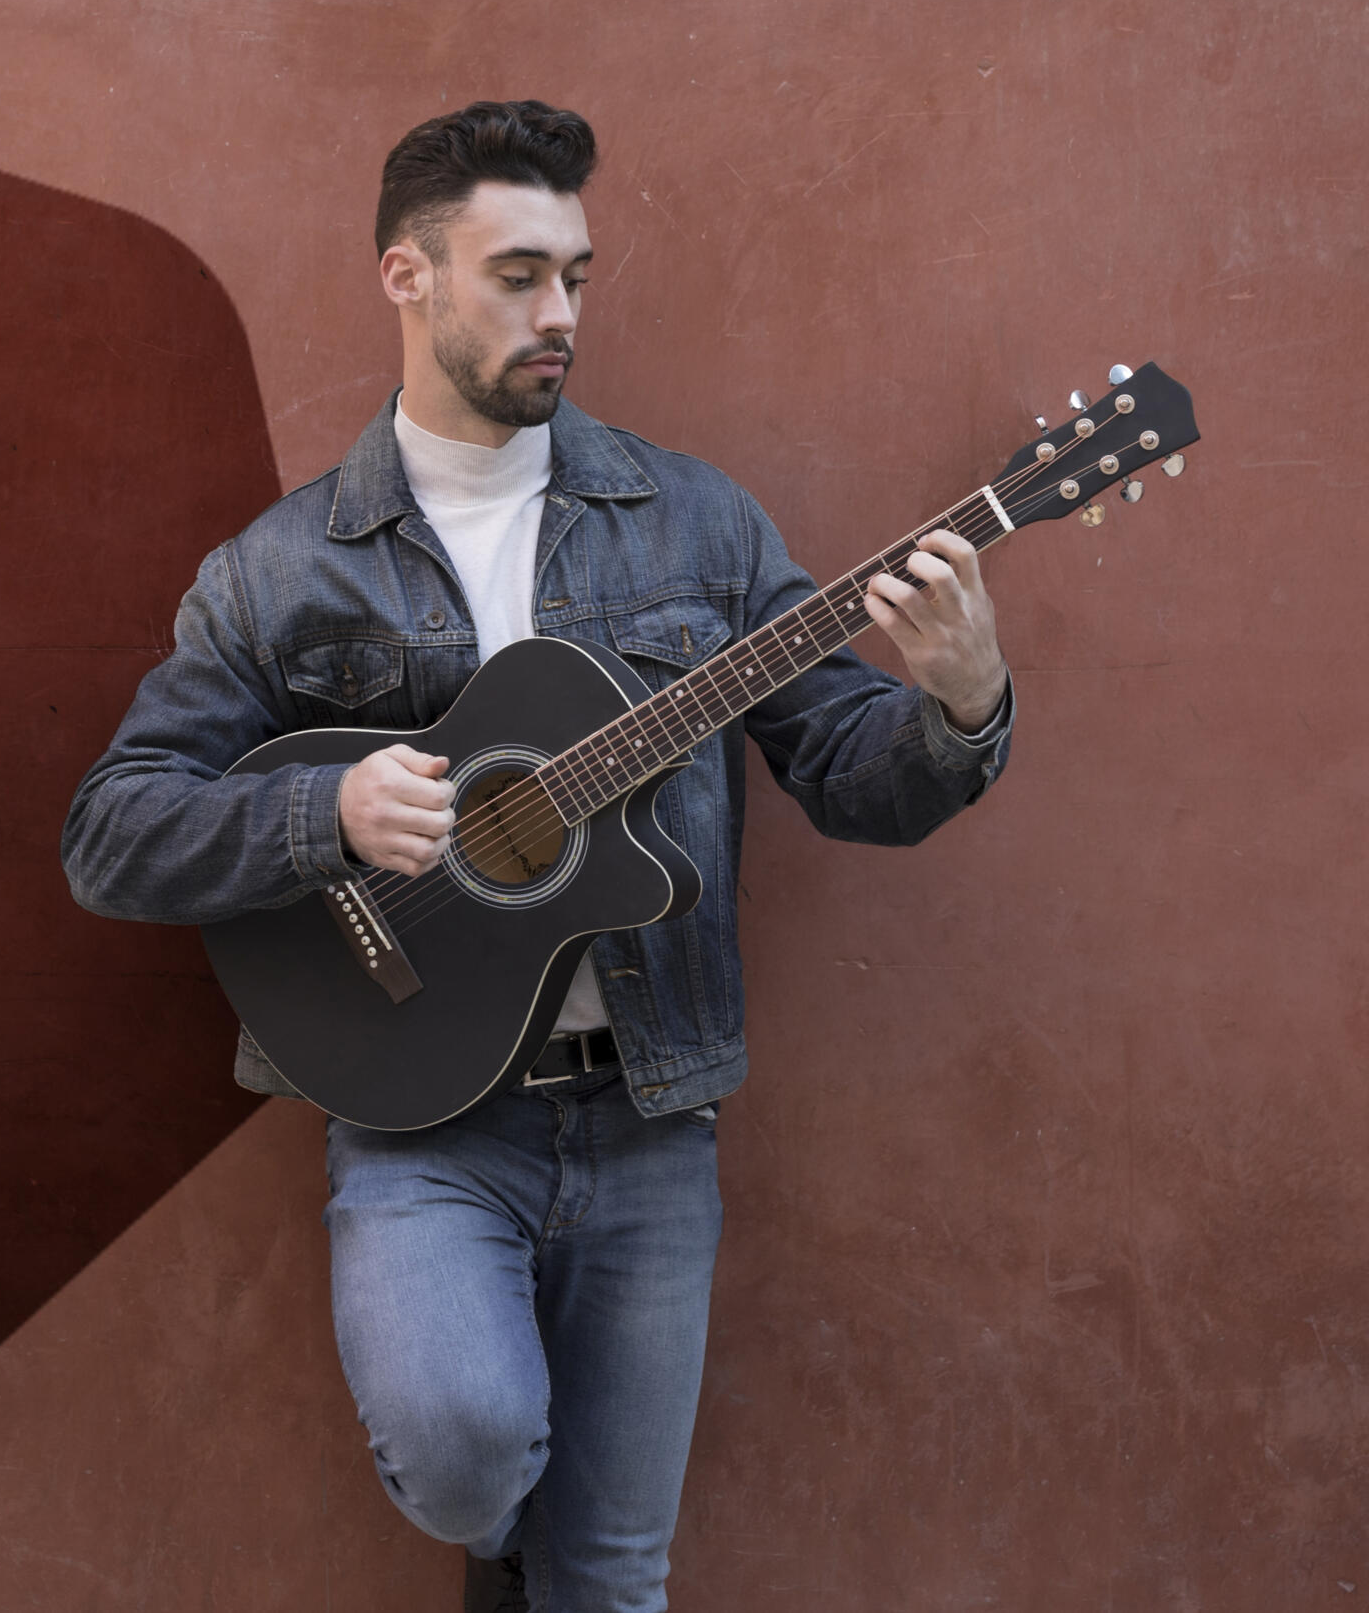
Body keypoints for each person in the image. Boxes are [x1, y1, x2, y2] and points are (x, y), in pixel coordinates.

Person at [59, 102, 1013, 1612]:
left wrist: (961, 707)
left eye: (574, 274)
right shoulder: (279, 573)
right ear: (409, 276)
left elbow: (850, 771)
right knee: (465, 1451)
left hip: (649, 1111)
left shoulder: (695, 524)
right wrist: (328, 813)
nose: (559, 312)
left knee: (615, 1578)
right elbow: (111, 834)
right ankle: (506, 1541)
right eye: (517, 275)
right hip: (418, 1115)